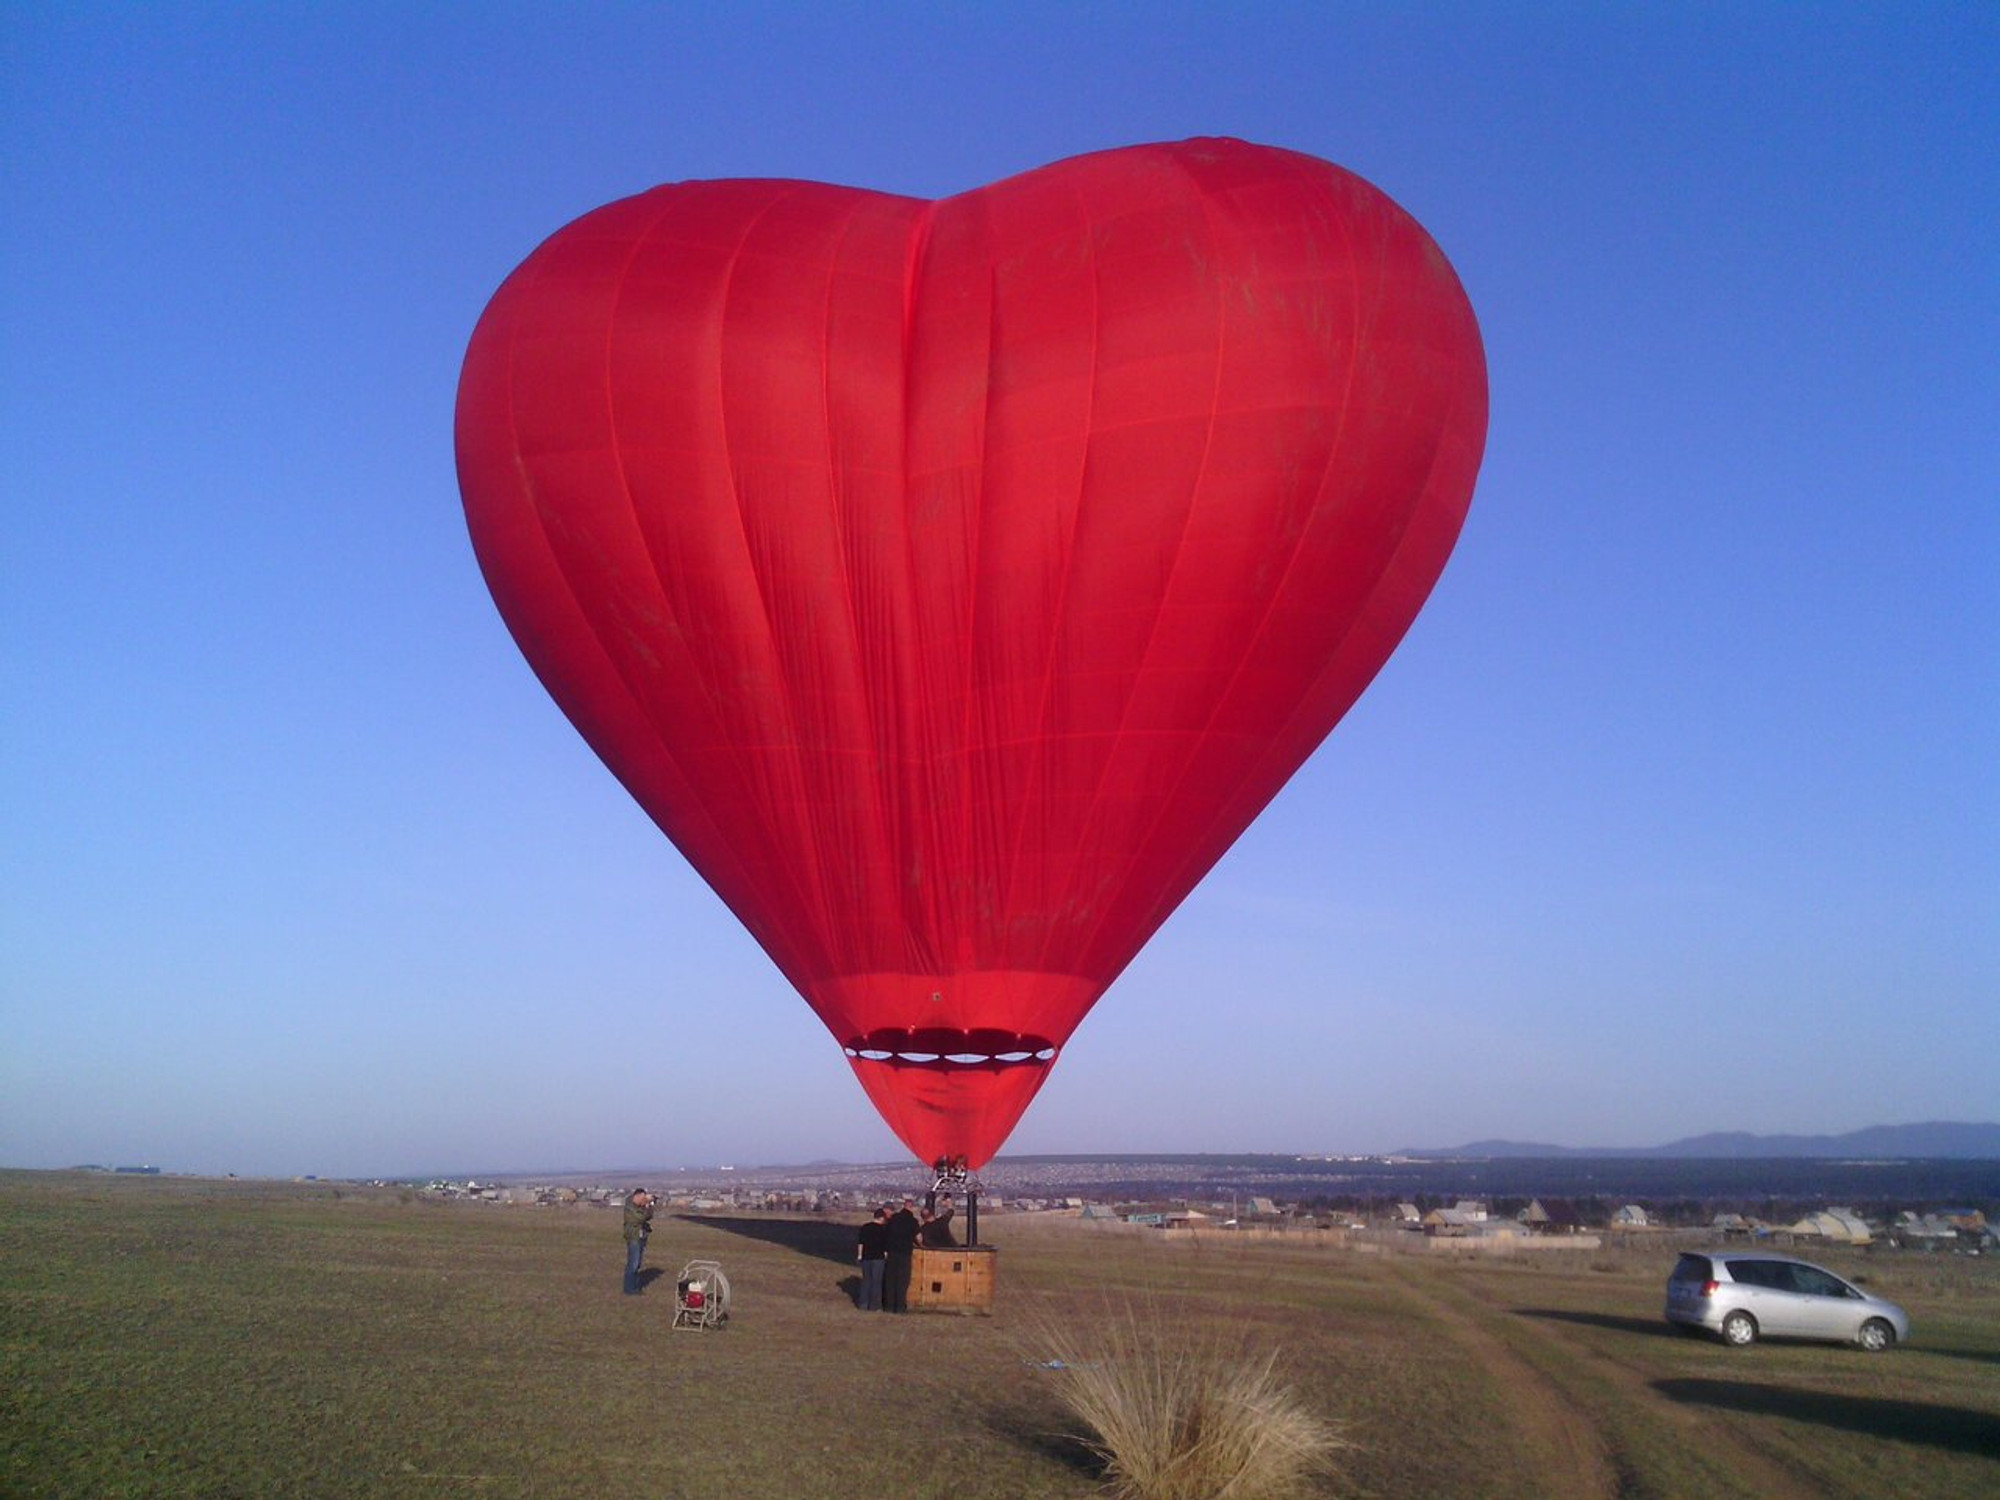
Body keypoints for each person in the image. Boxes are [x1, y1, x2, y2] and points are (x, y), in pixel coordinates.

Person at [882, 1197, 921, 1312]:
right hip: (905, 1253)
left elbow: (886, 1233)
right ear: (912, 1207)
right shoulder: (913, 1221)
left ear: (904, 1206)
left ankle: (889, 1306)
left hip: (892, 1252)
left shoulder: (893, 1219)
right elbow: (919, 1238)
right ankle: (900, 1307)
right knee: (902, 1280)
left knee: (890, 1279)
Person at [855, 1206, 889, 1311]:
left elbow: (861, 1243)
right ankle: (874, 1305)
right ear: (882, 1218)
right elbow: (885, 1246)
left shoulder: (865, 1227)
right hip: (878, 1258)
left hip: (866, 1257)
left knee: (866, 1281)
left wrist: (859, 1255)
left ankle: (863, 1304)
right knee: (876, 1282)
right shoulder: (883, 1230)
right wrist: (886, 1256)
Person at [622, 1187, 654, 1295]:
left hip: (640, 1237)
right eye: (642, 1198)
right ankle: (630, 1288)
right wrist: (645, 1205)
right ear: (637, 1196)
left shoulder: (640, 1206)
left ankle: (635, 1286)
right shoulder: (630, 1206)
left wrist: (649, 1205)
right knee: (633, 1263)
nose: (643, 1200)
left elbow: (649, 1216)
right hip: (633, 1237)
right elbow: (639, 1218)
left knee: (637, 1263)